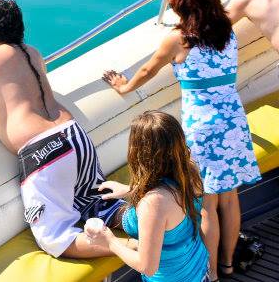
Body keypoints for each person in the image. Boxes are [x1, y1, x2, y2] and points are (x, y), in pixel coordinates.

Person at [103, 0, 261, 279]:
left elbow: (148, 70)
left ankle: (212, 272)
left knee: (206, 206)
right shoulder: (225, 28)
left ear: (179, 3)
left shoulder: (179, 39)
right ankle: (228, 263)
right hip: (232, 121)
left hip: (203, 128)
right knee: (230, 198)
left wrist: (123, 86)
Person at [0, 0, 125, 259]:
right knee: (98, 203)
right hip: (74, 137)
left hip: (44, 152)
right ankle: (151, 224)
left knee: (55, 239)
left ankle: (137, 250)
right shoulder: (32, 52)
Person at [84, 111, 210, 281]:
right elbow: (171, 190)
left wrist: (110, 241)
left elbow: (147, 267)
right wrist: (131, 189)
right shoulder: (190, 170)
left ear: (139, 153)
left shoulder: (153, 204)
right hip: (199, 268)